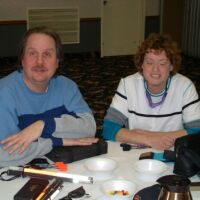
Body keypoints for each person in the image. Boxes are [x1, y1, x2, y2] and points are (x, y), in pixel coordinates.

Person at [0, 26, 97, 167]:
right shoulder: (4, 93)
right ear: (22, 59)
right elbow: (4, 155)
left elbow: (89, 128)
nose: (39, 62)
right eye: (32, 53)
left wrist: (43, 126)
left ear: (57, 61)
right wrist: (55, 141)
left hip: (60, 164)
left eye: (47, 54)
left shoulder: (67, 86)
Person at [103, 33, 200, 150]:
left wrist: (145, 135)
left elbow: (197, 130)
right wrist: (150, 140)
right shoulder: (127, 84)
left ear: (171, 66)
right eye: (149, 62)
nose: (155, 69)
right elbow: (109, 128)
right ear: (141, 64)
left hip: (172, 151)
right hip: (136, 151)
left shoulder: (185, 86)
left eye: (162, 63)